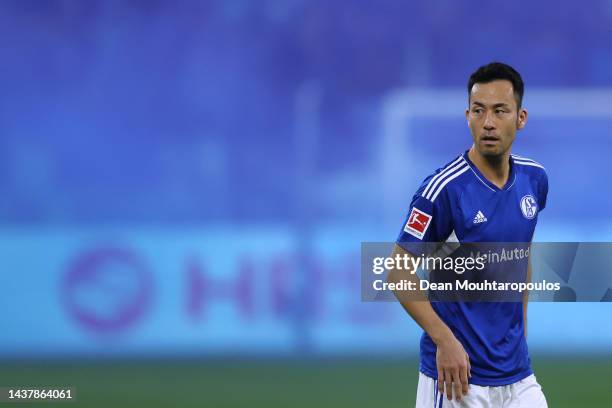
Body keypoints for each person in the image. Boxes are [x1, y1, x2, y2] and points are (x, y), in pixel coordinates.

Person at [389, 62, 548, 407]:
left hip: (518, 377)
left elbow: (521, 258)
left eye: (500, 111)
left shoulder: (534, 180)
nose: (488, 122)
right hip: (459, 381)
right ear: (467, 116)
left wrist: (519, 338)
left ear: (520, 118)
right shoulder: (443, 190)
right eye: (479, 111)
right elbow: (398, 272)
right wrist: (443, 340)